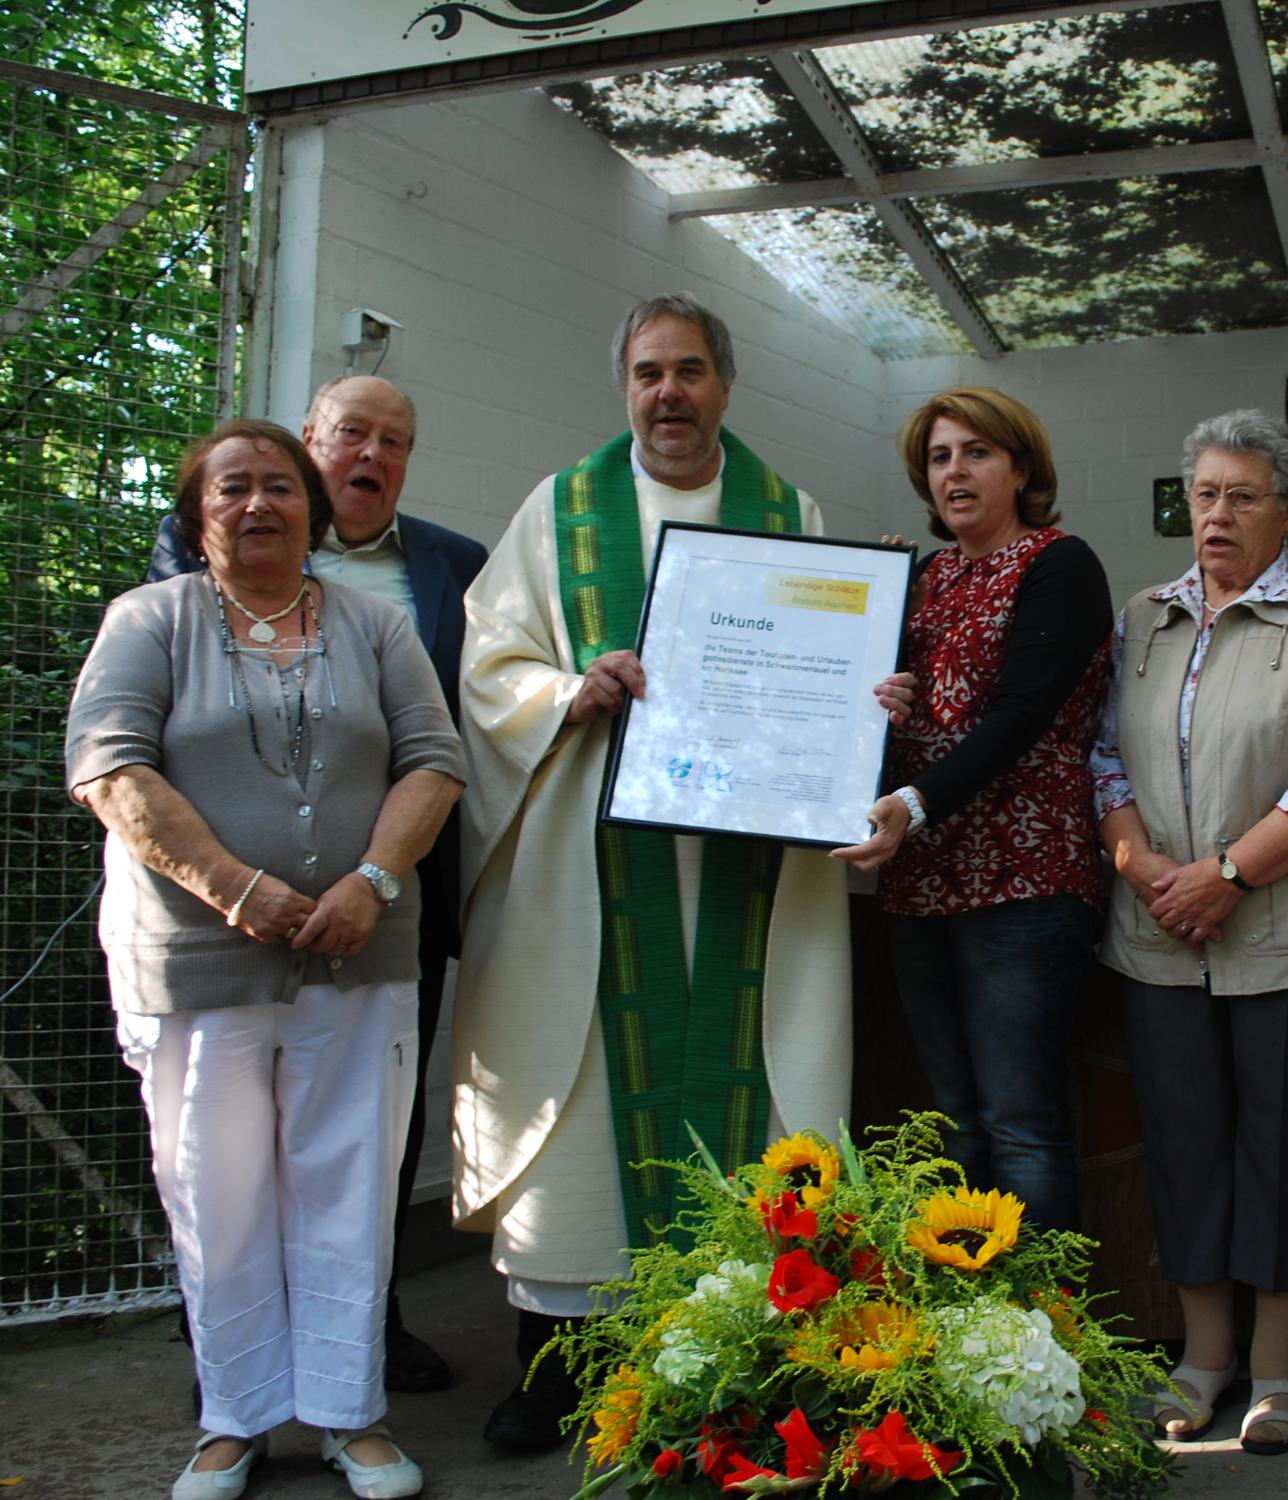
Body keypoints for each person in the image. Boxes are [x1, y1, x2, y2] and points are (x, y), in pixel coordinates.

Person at [454, 292, 852, 1449]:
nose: (666, 393)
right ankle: (555, 1370)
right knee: (584, 1097)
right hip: (597, 860)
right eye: (646, 373)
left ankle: (752, 1363)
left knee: (756, 1079)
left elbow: (825, 666)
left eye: (687, 370)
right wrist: (566, 693)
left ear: (724, 384)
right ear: (623, 385)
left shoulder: (789, 510)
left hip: (748, 865)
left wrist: (857, 705)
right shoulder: (560, 510)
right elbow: (492, 663)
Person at [67, 420, 464, 1500]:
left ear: (314, 508)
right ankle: (233, 1421)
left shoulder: (376, 627)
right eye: (232, 488)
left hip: (358, 951)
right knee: (216, 1188)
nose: (259, 506)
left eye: (280, 487)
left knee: (348, 1185)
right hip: (197, 962)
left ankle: (351, 1415)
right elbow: (110, 770)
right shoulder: (149, 620)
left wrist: (371, 882)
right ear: (198, 515)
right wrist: (234, 890)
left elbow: (433, 763)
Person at [147, 374, 487, 1393]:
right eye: (351, 434)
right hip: (223, 917)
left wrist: (381, 875)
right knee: (223, 1136)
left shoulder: (452, 570)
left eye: (395, 441)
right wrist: (226, 881)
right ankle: (230, 1349)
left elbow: (454, 738)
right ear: (310, 444)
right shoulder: (194, 566)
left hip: (386, 903)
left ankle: (366, 1326)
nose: (370, 456)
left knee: (366, 1130)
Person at [1089, 409, 1288, 1456]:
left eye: (1242, 496)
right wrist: (1145, 872)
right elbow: (1101, 763)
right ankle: (1201, 1358)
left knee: (1286, 1153)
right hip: (1160, 939)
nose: (1215, 515)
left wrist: (1222, 876)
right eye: (1203, 494)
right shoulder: (1143, 617)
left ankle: (1279, 1368)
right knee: (1184, 1152)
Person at [832, 387, 1111, 1234]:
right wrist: (876, 673)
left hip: (1023, 881)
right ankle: (970, 1342)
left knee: (1020, 1124)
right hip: (921, 881)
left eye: (977, 452)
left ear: (1021, 467)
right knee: (953, 1127)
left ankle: (1045, 1342)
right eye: (940, 457)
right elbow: (897, 715)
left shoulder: (1059, 565)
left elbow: (1021, 716)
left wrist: (914, 802)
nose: (955, 472)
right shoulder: (921, 578)